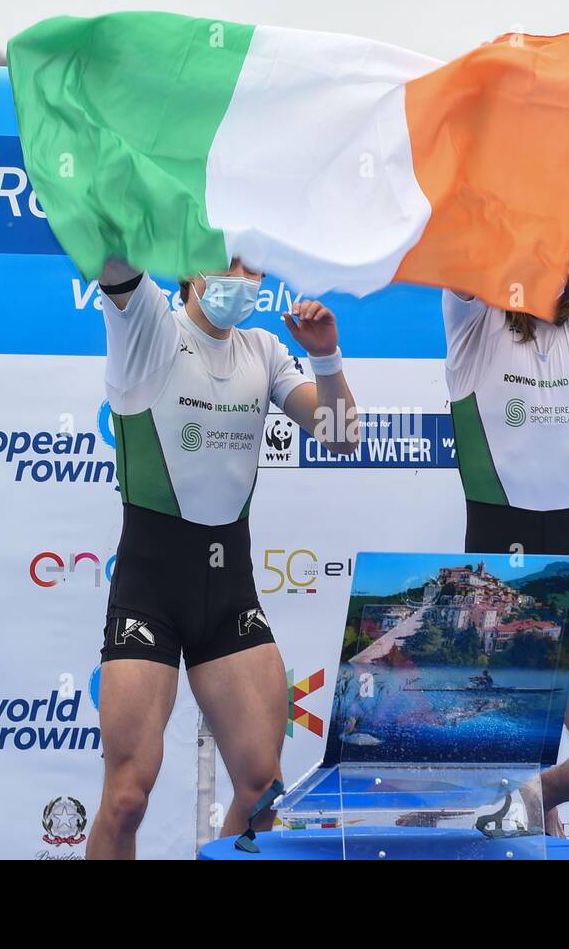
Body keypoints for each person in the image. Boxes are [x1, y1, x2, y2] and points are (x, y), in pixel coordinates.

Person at [86, 256, 359, 859]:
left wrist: (326, 356)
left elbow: (342, 435)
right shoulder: (150, 326)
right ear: (191, 263)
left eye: (253, 267)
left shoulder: (262, 350)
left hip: (228, 592)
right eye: (228, 262)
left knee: (263, 788)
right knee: (128, 795)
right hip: (148, 594)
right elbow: (112, 256)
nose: (243, 277)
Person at [439, 47, 569, 827]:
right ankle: (518, 800)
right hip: (490, 587)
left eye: (564, 235)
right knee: (477, 802)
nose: (552, 248)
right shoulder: (472, 323)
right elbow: (461, 216)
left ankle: (537, 793)